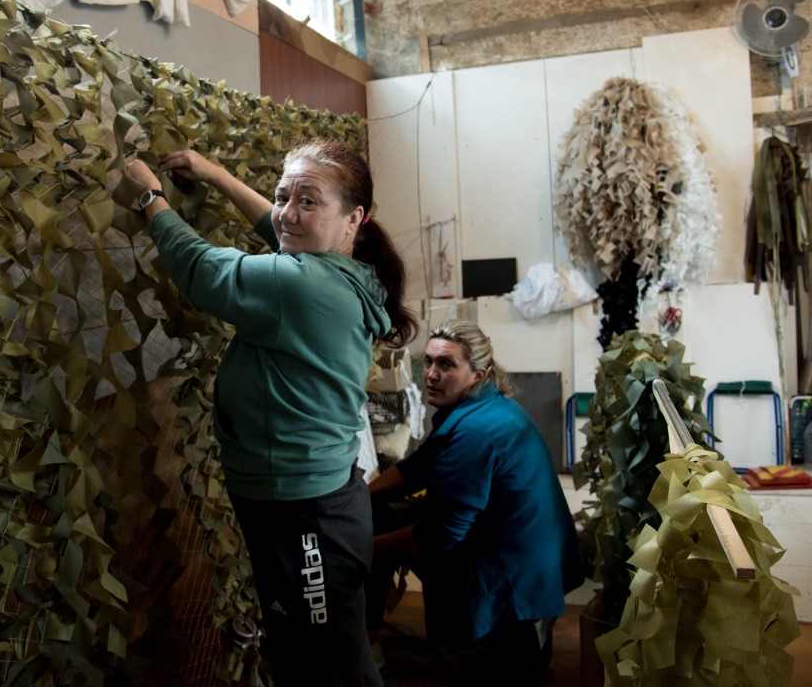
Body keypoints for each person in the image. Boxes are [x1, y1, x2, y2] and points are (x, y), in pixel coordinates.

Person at [125, 140, 416, 687]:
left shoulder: (301, 286)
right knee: (318, 654)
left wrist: (149, 198)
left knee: (328, 667)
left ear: (354, 219)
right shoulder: (351, 267)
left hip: (306, 518)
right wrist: (216, 175)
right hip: (310, 503)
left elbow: (203, 270)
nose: (288, 212)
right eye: (284, 195)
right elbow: (281, 230)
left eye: (308, 201)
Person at [366, 320, 581, 685]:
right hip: (533, 552)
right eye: (428, 362)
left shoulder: (475, 434)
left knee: (505, 663)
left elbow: (438, 535)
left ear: (477, 372)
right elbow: (420, 465)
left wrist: (366, 548)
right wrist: (361, 494)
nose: (431, 375)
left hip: (514, 568)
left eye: (446, 365)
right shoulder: (482, 407)